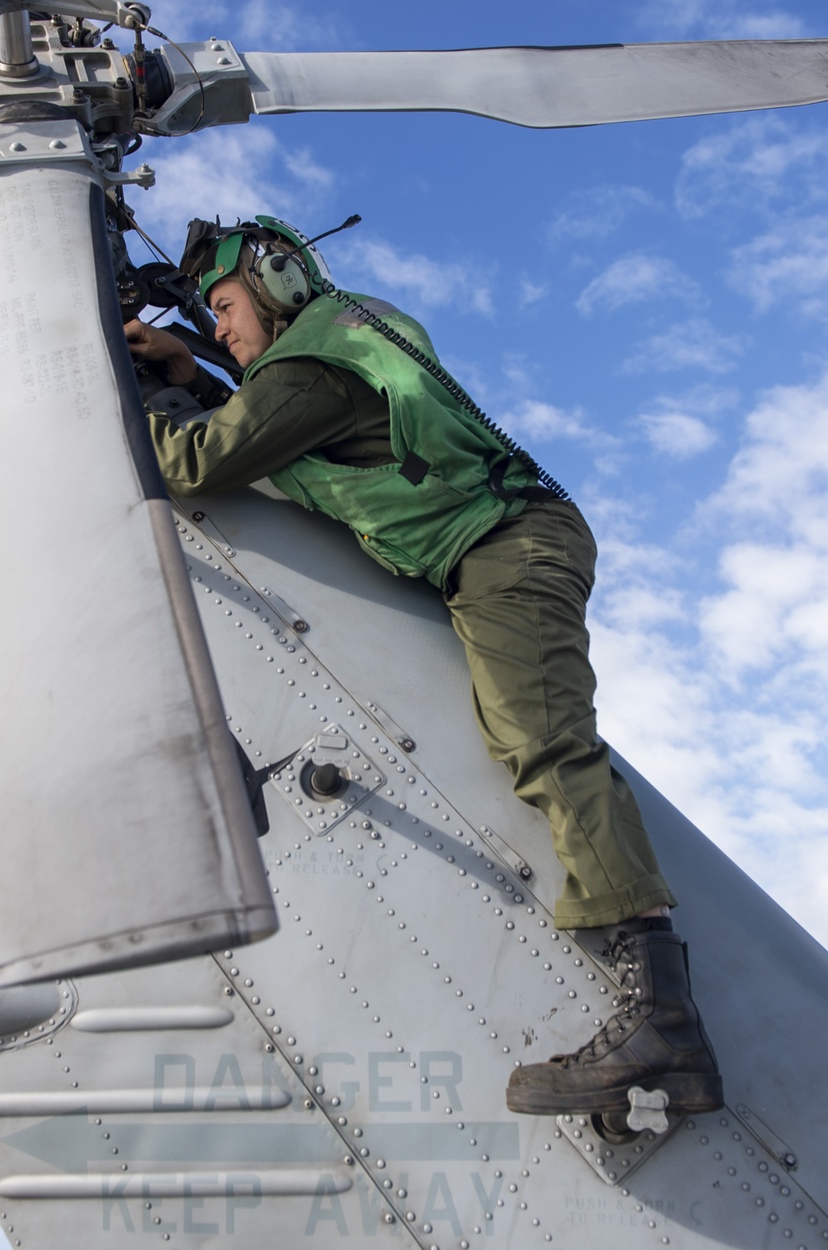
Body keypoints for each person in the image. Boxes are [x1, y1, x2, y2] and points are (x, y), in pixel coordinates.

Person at [125, 215, 722, 1123]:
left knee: (545, 744)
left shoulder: (311, 363)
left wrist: (143, 398)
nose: (218, 328)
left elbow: (202, 463)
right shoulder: (344, 341)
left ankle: (661, 1014)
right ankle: (659, 1011)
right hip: (505, 540)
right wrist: (195, 373)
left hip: (501, 548)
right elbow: (299, 435)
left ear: (279, 284)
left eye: (224, 304)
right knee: (524, 733)